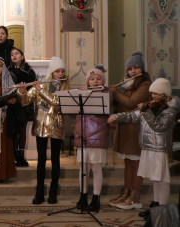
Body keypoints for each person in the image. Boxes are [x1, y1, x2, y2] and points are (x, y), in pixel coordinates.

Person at [108, 78, 178, 213]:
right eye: (153, 93)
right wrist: (117, 117)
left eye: (157, 93)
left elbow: (159, 126)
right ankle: (156, 205)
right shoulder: (150, 107)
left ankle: (161, 210)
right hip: (147, 146)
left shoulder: (170, 110)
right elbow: (133, 116)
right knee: (154, 179)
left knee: (161, 179)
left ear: (165, 94)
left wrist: (146, 111)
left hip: (159, 148)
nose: (154, 96)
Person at [18, 56, 70, 204]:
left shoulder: (65, 88)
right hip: (41, 126)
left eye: (62, 71)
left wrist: (40, 90)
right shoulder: (42, 86)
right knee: (41, 161)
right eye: (57, 71)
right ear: (52, 72)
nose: (60, 74)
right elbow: (25, 101)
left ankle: (53, 193)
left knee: (55, 160)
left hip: (56, 127)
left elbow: (55, 102)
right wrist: (22, 91)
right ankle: (39, 192)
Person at [108, 51, 152, 210]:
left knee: (136, 162)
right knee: (128, 162)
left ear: (141, 69)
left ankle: (135, 196)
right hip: (125, 127)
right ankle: (125, 193)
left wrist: (115, 93)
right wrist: (110, 98)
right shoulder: (125, 83)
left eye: (136, 68)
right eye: (130, 68)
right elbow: (121, 104)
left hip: (136, 129)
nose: (133, 71)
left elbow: (132, 102)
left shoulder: (145, 85)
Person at [74, 65, 112, 212]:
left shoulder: (107, 93)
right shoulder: (81, 93)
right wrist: (79, 97)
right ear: (87, 82)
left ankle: (96, 198)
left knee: (96, 168)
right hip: (82, 136)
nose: (95, 81)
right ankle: (82, 196)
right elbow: (72, 114)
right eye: (92, 79)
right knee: (83, 168)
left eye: (98, 79)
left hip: (97, 135)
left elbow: (107, 107)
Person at [8, 47, 36, 167]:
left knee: (22, 130)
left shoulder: (29, 71)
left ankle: (21, 156)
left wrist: (25, 88)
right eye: (12, 54)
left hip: (25, 103)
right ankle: (13, 156)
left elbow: (34, 85)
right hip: (13, 103)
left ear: (22, 56)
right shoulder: (8, 70)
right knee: (13, 130)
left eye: (17, 54)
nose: (14, 56)